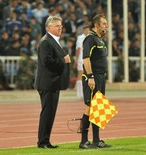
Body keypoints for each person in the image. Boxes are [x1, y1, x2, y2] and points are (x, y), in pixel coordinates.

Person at [34, 15, 71, 149]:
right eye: (57, 26)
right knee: (47, 113)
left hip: (52, 83)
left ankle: (45, 140)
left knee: (50, 114)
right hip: (48, 83)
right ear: (48, 27)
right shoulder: (46, 42)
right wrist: (64, 61)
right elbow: (47, 61)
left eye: (61, 26)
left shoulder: (52, 41)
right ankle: (43, 142)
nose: (60, 28)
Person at [79, 14, 110, 149]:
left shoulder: (100, 40)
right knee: (90, 106)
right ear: (96, 25)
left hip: (101, 77)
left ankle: (97, 140)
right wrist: (90, 76)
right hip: (93, 77)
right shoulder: (90, 39)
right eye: (104, 24)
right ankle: (83, 141)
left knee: (99, 107)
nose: (106, 27)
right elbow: (86, 59)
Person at [74, 25, 90, 98]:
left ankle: (86, 92)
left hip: (88, 59)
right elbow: (78, 49)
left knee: (88, 75)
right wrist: (76, 60)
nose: (87, 31)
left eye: (88, 30)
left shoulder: (90, 37)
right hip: (81, 58)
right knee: (80, 74)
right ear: (83, 30)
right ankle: (79, 93)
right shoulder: (80, 38)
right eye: (86, 30)